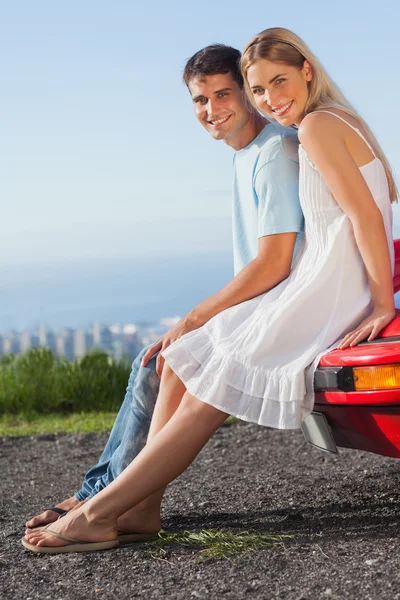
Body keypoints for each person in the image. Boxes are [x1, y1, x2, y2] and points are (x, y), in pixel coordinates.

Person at [25, 42, 303, 540]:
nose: (212, 110)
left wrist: (195, 317)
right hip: (262, 301)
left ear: (247, 93)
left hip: (283, 308)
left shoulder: (275, 152)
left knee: (167, 357)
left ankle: (110, 501)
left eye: (223, 94)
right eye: (200, 100)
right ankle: (109, 496)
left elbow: (275, 262)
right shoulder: (245, 155)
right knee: (154, 361)